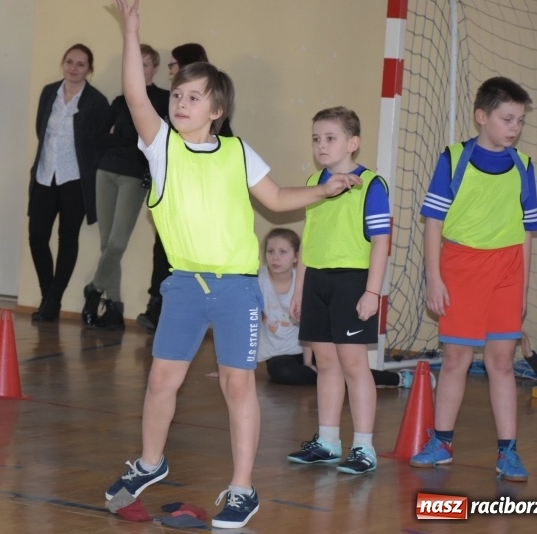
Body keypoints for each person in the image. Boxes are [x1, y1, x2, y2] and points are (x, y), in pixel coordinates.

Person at [106, 1, 362, 528]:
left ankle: (243, 489)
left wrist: (325, 190)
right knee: (160, 381)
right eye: (176, 95)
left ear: (215, 110)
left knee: (237, 385)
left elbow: (278, 198)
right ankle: (151, 463)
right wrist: (131, 30)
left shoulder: (237, 152)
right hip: (183, 287)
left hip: (236, 290)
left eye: (192, 97)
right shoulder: (162, 149)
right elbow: (135, 94)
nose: (180, 102)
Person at [411, 77, 537, 482]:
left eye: (519, 120)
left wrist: (522, 287)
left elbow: (526, 232)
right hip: (461, 267)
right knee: (455, 360)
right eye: (507, 119)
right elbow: (433, 222)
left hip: (507, 270)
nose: (514, 127)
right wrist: (435, 277)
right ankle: (442, 442)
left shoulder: (524, 165)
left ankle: (508, 452)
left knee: (502, 362)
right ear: (481, 117)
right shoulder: (453, 158)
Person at [285, 107, 391, 475]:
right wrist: (299, 290)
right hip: (317, 281)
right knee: (325, 363)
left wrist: (372, 292)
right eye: (316, 138)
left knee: (354, 366)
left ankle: (364, 446)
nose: (321, 145)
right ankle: (328, 441)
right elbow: (309, 240)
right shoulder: (316, 181)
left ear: (353, 143)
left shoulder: (372, 185)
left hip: (352, 282)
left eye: (330, 138)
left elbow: (381, 242)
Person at [135, 42, 233, 334]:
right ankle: (159, 307)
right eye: (178, 95)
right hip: (171, 203)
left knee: (186, 261)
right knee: (162, 252)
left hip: (200, 213)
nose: (171, 70)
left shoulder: (224, 138)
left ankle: (191, 315)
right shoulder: (170, 114)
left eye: (174, 64)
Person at [258, 227, 426, 389]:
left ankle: (398, 378)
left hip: (308, 350)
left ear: (296, 256)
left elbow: (309, 325)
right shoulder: (259, 280)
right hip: (279, 357)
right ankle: (335, 380)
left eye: (282, 252)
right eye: (270, 251)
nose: (275, 258)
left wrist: (308, 362)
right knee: (282, 371)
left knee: (342, 367)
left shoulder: (301, 281)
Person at [81, 44, 169, 330]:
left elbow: (155, 142)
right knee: (108, 244)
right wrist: (125, 138)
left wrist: (121, 136)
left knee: (117, 243)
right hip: (105, 172)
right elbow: (98, 139)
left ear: (154, 68)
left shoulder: (163, 100)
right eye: (135, 64)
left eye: (145, 64)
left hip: (134, 176)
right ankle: (115, 306)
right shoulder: (120, 101)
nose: (139, 69)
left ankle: (94, 288)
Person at [28, 44, 109, 322]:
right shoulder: (49, 92)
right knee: (37, 237)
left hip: (74, 179)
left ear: (89, 69)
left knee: (67, 239)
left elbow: (98, 144)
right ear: (63, 63)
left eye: (81, 64)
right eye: (69, 62)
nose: (73, 68)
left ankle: (53, 301)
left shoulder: (96, 101)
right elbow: (41, 129)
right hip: (44, 175)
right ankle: (47, 293)